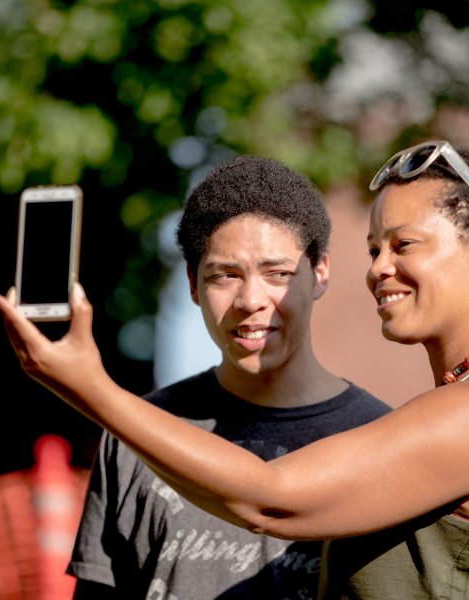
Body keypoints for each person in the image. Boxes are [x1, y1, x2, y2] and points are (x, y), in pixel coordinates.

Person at [0, 141, 469, 599]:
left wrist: (89, 387)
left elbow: (270, 500)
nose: (377, 268)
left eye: (403, 245)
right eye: (374, 249)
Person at [61, 155, 392, 599]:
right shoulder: (135, 432)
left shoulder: (383, 443)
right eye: (225, 276)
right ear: (193, 285)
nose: (251, 299)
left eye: (277, 274)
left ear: (320, 273)